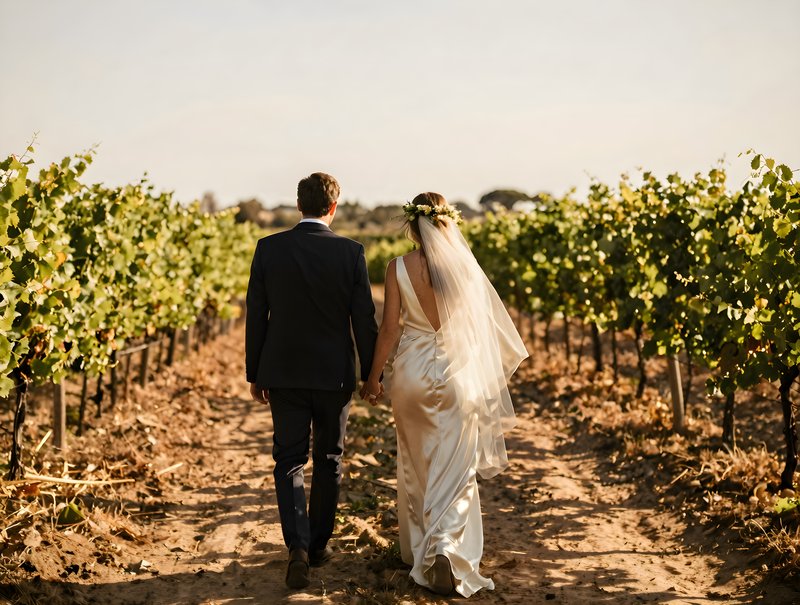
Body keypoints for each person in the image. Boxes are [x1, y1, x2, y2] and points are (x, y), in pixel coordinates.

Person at [360, 192, 528, 597]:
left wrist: (372, 377)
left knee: (418, 465)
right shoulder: (465, 271)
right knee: (457, 469)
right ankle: (447, 548)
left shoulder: (397, 267)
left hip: (412, 376)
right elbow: (479, 330)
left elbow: (389, 330)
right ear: (446, 223)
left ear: (413, 226)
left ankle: (423, 547)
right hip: (458, 378)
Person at [245, 172, 379, 589]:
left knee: (288, 462)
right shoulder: (351, 252)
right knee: (329, 460)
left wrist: (255, 372)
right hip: (334, 375)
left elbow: (256, 315)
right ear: (333, 207)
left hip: (282, 372)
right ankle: (319, 546)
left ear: (298, 204)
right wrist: (370, 375)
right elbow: (364, 320)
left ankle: (297, 548)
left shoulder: (269, 249)